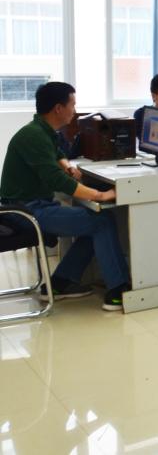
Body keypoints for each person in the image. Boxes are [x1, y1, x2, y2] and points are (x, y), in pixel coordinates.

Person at [0, 82, 129, 311]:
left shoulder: (41, 130)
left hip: (30, 206)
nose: (75, 110)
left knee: (94, 223)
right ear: (58, 108)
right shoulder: (33, 136)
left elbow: (58, 153)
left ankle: (61, 282)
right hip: (25, 212)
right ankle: (118, 291)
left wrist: (67, 166)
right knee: (101, 221)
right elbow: (57, 181)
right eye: (73, 105)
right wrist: (101, 194)